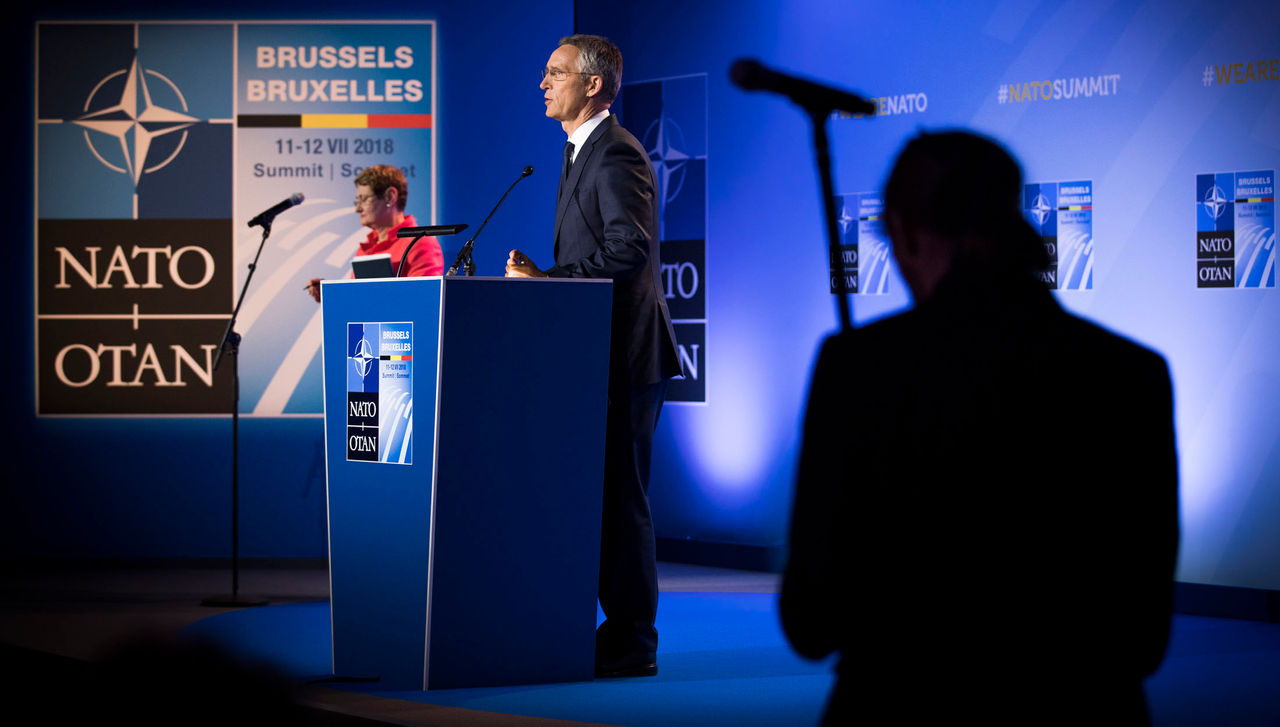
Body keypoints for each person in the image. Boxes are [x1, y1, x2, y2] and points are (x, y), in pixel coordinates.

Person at [780, 131, 1179, 725]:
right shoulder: (1132, 374)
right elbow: (1143, 637)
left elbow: (811, 621)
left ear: (906, 231)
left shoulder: (858, 368)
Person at [505, 34, 681, 679]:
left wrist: (549, 282)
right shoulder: (579, 152)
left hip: (625, 360)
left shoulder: (615, 154)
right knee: (601, 499)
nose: (543, 82)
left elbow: (628, 249)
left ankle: (633, 643)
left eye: (556, 73)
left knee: (622, 501)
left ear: (594, 86)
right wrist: (544, 274)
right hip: (592, 357)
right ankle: (609, 633)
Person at [306, 164, 442, 301]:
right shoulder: (366, 248)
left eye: (364, 199)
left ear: (390, 196)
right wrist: (331, 295)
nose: (358, 209)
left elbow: (424, 303)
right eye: (357, 201)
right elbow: (361, 302)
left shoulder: (420, 244)